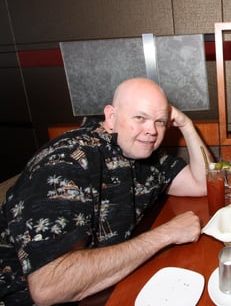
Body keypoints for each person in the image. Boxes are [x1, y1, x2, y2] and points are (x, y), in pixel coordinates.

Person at [0, 78, 209, 305]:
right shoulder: (67, 161)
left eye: (160, 121)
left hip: (102, 286)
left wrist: (188, 125)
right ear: (111, 117)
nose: (152, 131)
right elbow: (48, 287)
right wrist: (164, 235)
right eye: (140, 118)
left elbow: (203, 183)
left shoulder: (142, 153)